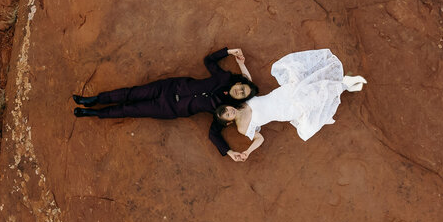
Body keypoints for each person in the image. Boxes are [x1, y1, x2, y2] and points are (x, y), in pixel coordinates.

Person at [72, 47, 258, 156]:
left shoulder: (224, 110)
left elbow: (214, 134)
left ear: (239, 99)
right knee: (130, 93)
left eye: (242, 94)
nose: (239, 91)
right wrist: (229, 51)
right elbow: (209, 61)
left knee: (132, 109)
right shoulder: (223, 78)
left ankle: (95, 113)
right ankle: (94, 99)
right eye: (242, 87)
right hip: (169, 87)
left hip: (168, 108)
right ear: (238, 82)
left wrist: (229, 152)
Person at [216, 48, 366, 162]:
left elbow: (246, 81)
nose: (230, 110)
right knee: (315, 98)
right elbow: (259, 139)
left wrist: (240, 63)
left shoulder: (241, 103)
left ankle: (343, 82)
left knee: (311, 86)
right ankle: (345, 84)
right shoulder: (243, 129)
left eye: (227, 109)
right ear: (228, 122)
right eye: (227, 114)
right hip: (286, 111)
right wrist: (248, 152)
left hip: (283, 94)